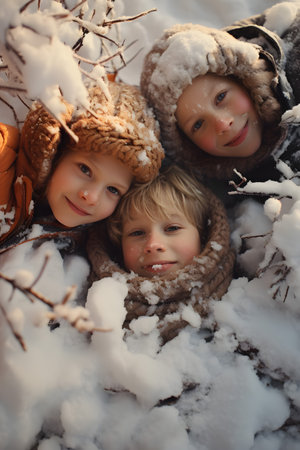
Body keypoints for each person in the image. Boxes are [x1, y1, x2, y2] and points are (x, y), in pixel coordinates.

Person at [140, 2, 300, 185]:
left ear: (243, 80)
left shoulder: (295, 51)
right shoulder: (231, 183)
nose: (222, 124)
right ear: (188, 145)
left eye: (221, 97)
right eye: (198, 124)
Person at [0, 81, 164, 247]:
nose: (91, 197)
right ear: (54, 153)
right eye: (85, 169)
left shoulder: (83, 242)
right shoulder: (2, 157)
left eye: (113, 189)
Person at [87, 164, 235, 343]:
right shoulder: (92, 310)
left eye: (172, 228)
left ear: (203, 234)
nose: (153, 245)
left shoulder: (240, 303)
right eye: (137, 233)